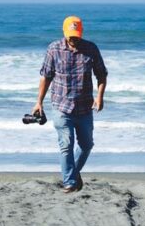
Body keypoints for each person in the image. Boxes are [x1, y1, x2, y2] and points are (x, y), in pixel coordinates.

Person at [32, 15, 108, 192]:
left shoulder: (91, 49)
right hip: (61, 106)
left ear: (81, 32)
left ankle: (73, 173)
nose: (73, 39)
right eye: (70, 35)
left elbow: (102, 75)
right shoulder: (54, 49)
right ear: (64, 32)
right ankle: (69, 183)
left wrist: (100, 97)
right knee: (66, 144)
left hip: (84, 107)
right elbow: (46, 76)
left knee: (87, 145)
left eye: (76, 35)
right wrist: (39, 102)